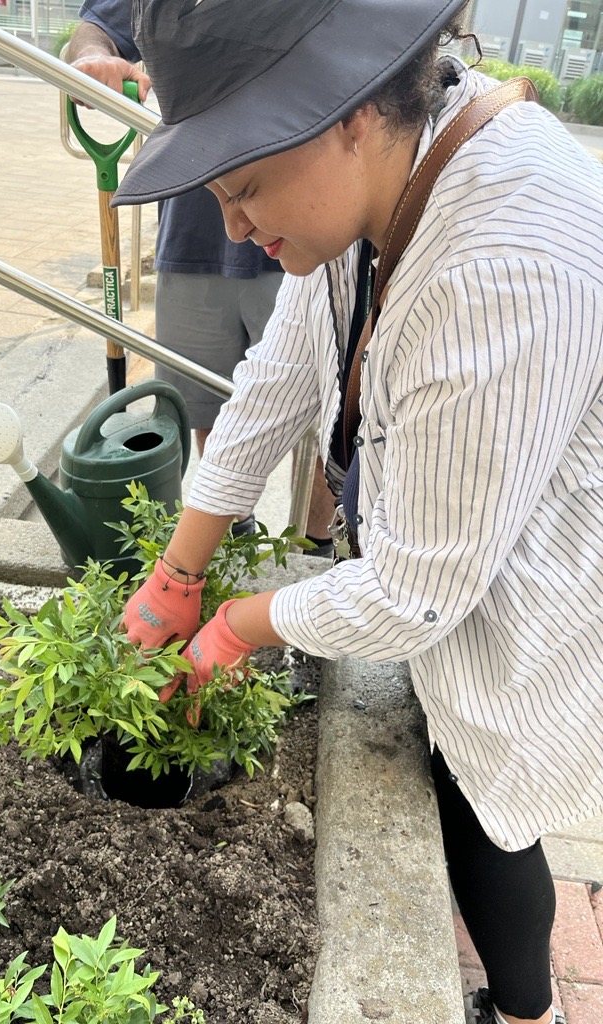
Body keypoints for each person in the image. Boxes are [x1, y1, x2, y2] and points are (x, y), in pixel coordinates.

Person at [114, 2, 603, 1023]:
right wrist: (179, 574)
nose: (236, 226)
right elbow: (279, 377)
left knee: (485, 787)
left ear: (344, 112)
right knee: (465, 771)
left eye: (244, 188)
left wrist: (228, 634)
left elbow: (420, 593)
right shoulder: (380, 175)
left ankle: (529, 1014)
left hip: (525, 560)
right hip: (461, 532)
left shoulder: (499, 260)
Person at [66, 0, 337, 551]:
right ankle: (227, 539)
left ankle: (318, 550)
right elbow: (97, 28)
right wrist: (95, 59)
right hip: (192, 234)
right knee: (207, 405)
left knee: (321, 422)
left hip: (308, 233)